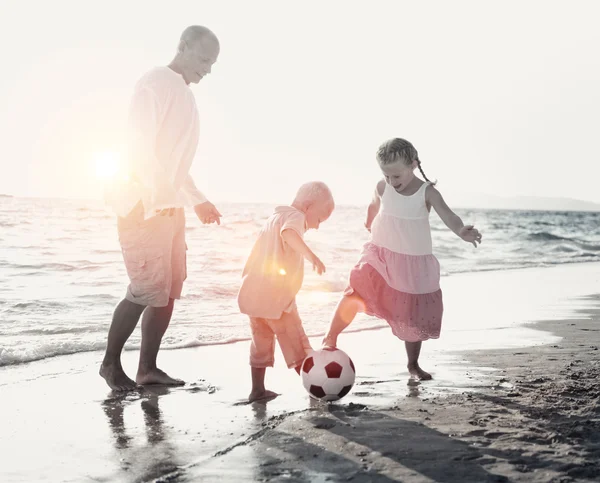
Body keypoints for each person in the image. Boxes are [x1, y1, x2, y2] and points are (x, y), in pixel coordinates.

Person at [100, 25, 222, 391]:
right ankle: (109, 365)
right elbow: (139, 144)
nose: (208, 69)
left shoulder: (186, 95)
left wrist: (197, 200)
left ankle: (148, 368)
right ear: (182, 47)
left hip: (170, 209)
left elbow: (175, 164)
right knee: (145, 289)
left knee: (168, 290)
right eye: (203, 59)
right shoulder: (156, 81)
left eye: (213, 63)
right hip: (143, 207)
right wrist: (153, 200)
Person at [322, 138, 482, 380]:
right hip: (380, 254)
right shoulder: (382, 186)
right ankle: (330, 337)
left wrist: (461, 231)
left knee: (412, 317)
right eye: (386, 176)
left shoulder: (427, 192)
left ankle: (413, 364)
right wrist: (369, 223)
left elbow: (448, 215)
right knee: (355, 290)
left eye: (396, 176)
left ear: (414, 165)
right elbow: (374, 206)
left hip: (412, 262)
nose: (391, 182)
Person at [238, 181, 335, 402]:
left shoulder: (273, 217)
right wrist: (312, 256)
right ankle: (317, 389)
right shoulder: (296, 217)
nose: (317, 226)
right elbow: (289, 233)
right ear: (307, 206)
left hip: (254, 297)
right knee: (297, 345)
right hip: (277, 299)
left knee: (260, 345)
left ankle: (257, 390)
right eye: (319, 219)